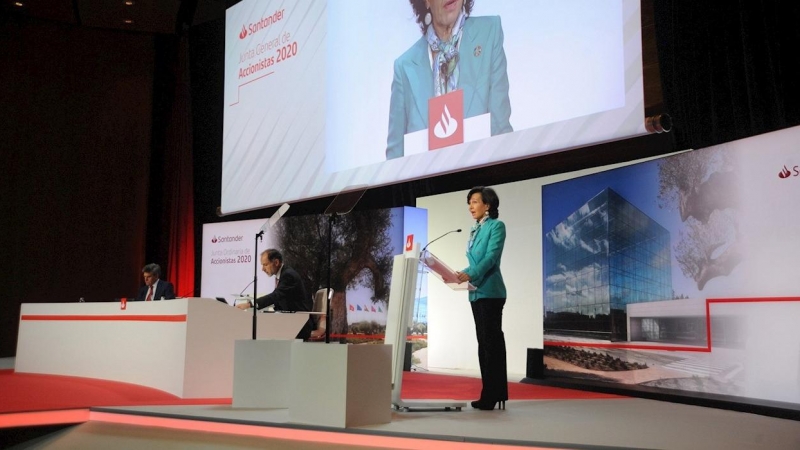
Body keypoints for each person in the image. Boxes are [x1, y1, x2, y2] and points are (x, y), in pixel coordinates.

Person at [386, 0, 512, 160]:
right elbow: (394, 160)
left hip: (482, 178)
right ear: (425, 2)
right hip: (429, 182)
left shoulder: (489, 33)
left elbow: (501, 134)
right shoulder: (404, 67)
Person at [456, 186, 508, 410]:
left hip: (491, 292)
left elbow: (491, 258)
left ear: (488, 205)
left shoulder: (497, 226)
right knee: (483, 345)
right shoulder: (475, 230)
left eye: (475, 201)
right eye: (469, 202)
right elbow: (475, 263)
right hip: (476, 293)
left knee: (492, 345)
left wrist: (472, 273)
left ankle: (494, 394)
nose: (471, 206)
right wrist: (459, 274)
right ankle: (488, 392)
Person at [236, 249, 314, 340]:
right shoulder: (283, 274)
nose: (262, 269)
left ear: (276, 262)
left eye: (265, 265)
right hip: (290, 321)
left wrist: (250, 304)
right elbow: (278, 298)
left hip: (299, 324)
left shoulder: (288, 275)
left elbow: (275, 296)